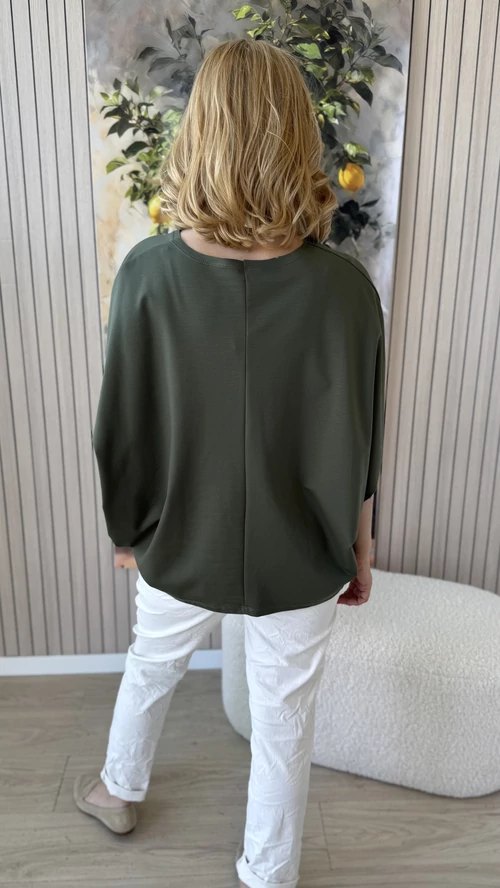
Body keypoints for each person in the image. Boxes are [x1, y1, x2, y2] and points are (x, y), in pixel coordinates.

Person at [74, 37, 386, 888]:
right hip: (303, 550)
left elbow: (122, 429)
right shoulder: (346, 292)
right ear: (298, 139)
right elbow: (359, 442)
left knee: (151, 663)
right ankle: (267, 873)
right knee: (285, 719)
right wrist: (358, 551)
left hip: (181, 535)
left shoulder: (146, 274)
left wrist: (129, 531)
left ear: (199, 133)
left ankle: (118, 790)